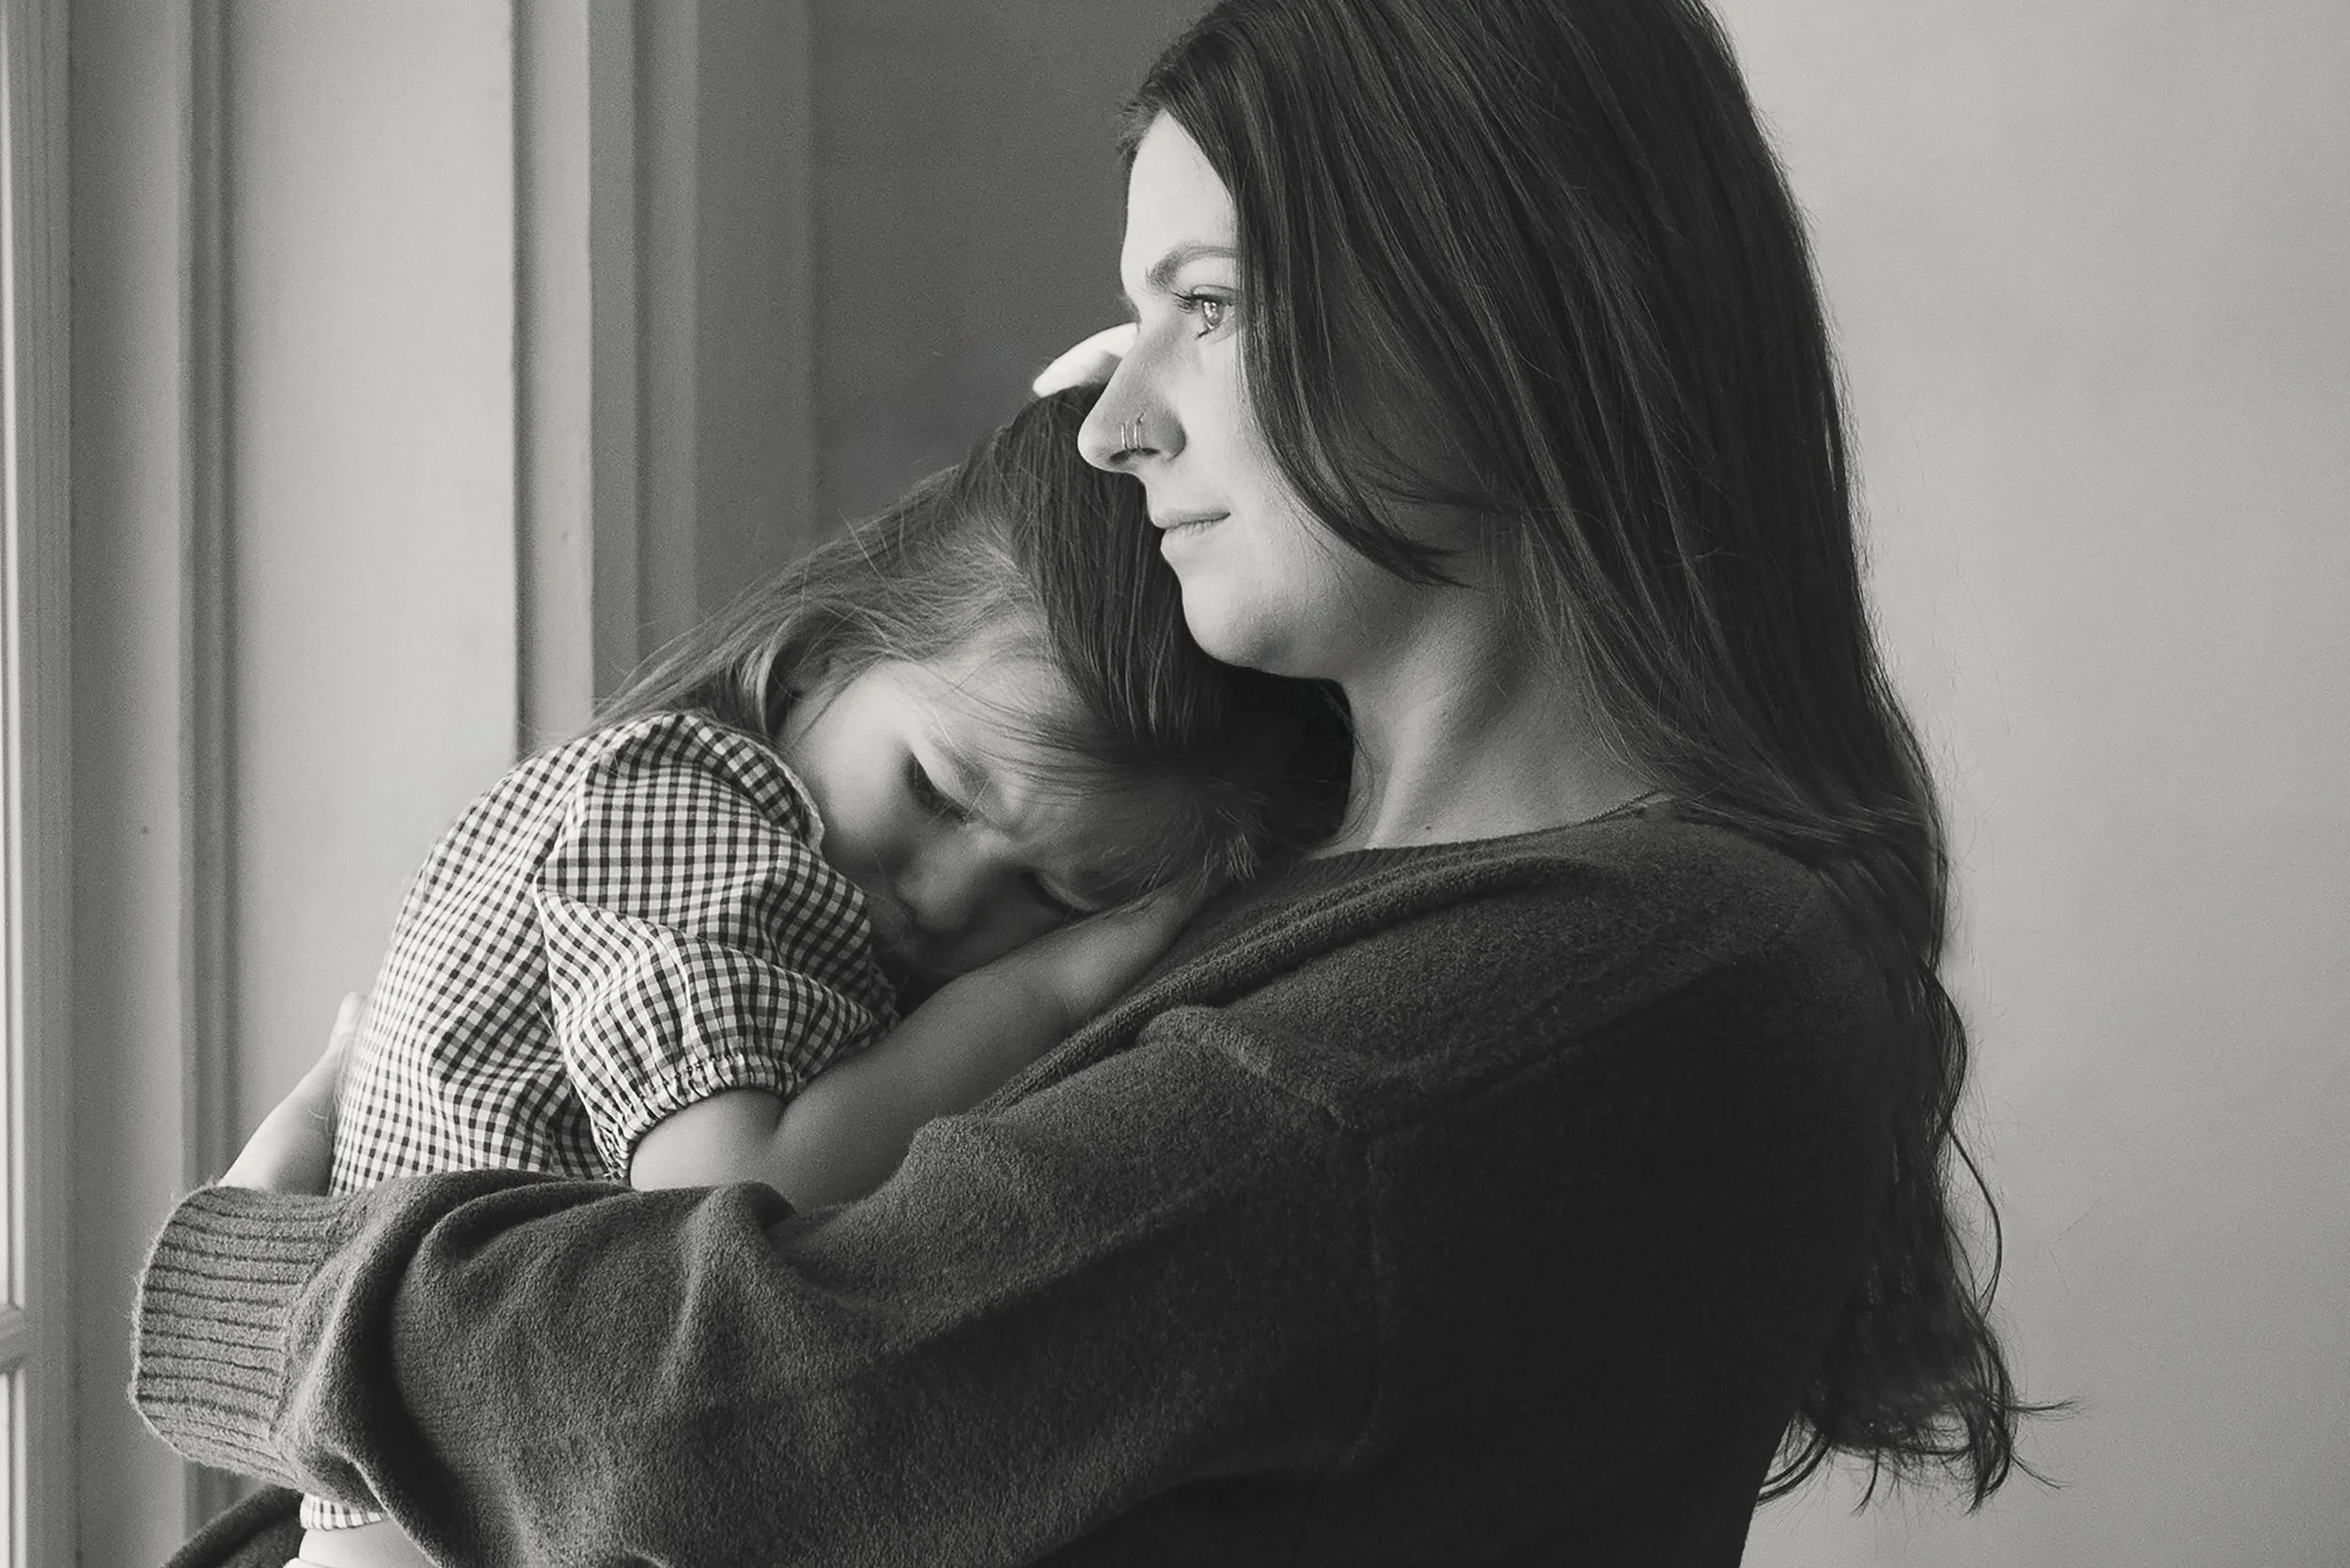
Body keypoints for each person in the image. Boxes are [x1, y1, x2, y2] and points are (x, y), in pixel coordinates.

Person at [134, 2, 2039, 1564]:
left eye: (1202, 306)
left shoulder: (1560, 988)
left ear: (1501, 309)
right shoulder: (1325, 896)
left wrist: (250, 1272)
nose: (1120, 423)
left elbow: (739, 1412)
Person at [286, 384, 1347, 1568]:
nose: (946, 899)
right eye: (935, 791)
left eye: (1054, 894)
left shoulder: (761, 872)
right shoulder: (673, 816)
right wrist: (1052, 979)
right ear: (829, 650)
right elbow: (732, 1193)